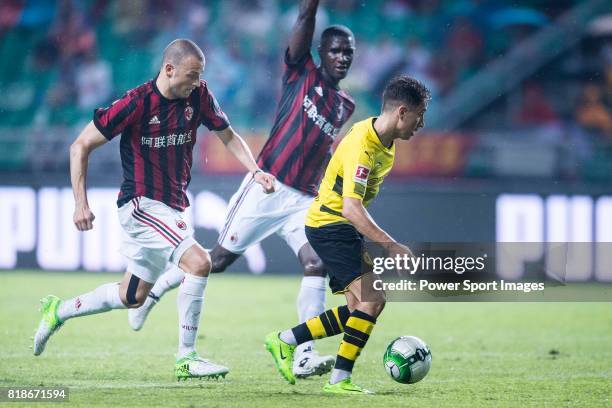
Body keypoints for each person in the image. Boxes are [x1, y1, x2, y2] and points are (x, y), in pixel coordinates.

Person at [129, 0, 356, 378]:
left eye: (348, 52)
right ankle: (153, 292)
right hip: (266, 188)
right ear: (320, 52)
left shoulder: (345, 105)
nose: (342, 58)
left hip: (303, 199)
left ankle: (303, 354)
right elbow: (304, 18)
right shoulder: (302, 73)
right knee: (215, 261)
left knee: (316, 263)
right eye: (335, 50)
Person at [32, 39, 276, 381]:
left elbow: (228, 135)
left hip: (171, 207)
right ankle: (186, 357)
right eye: (191, 75)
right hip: (141, 204)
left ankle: (58, 311)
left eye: (199, 76)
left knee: (131, 295)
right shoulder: (136, 102)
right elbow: (80, 145)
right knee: (200, 262)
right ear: (169, 69)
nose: (196, 82)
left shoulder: (199, 96)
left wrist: (255, 170)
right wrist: (80, 203)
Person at [264, 75, 430, 394]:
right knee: (373, 300)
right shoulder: (362, 146)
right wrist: (391, 245)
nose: (421, 124)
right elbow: (351, 208)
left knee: (359, 309)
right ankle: (339, 380)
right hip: (331, 225)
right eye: (420, 116)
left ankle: (284, 340)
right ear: (402, 112)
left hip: (336, 226)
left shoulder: (383, 141)